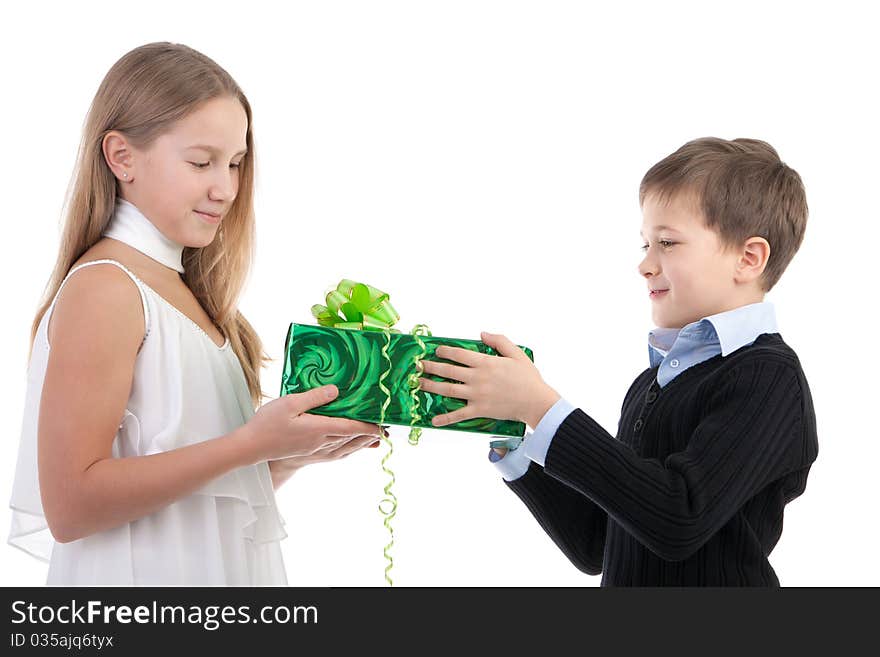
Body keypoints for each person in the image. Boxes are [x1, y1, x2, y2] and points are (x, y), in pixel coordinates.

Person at [7, 42, 384, 585]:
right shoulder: (108, 289)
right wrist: (251, 444)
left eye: (235, 163)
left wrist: (289, 455)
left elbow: (195, 504)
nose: (226, 188)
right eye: (201, 162)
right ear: (121, 157)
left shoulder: (189, 293)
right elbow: (71, 506)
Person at [418, 137, 819, 586]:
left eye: (667, 242)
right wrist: (513, 433)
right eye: (646, 243)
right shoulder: (652, 383)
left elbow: (678, 518)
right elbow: (598, 543)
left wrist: (541, 407)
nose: (645, 264)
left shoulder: (767, 377)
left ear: (748, 258)